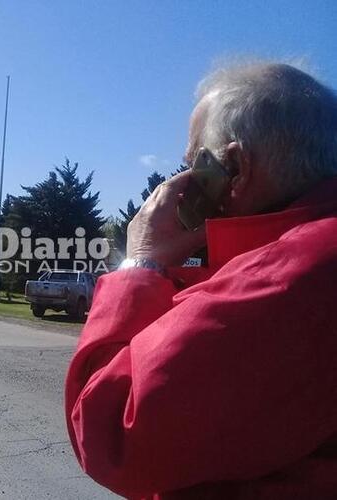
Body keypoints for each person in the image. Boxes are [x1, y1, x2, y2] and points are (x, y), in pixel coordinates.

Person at [65, 62, 337, 499]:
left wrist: (140, 263)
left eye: (193, 163)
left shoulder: (289, 275)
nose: (183, 181)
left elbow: (109, 431)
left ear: (234, 166)